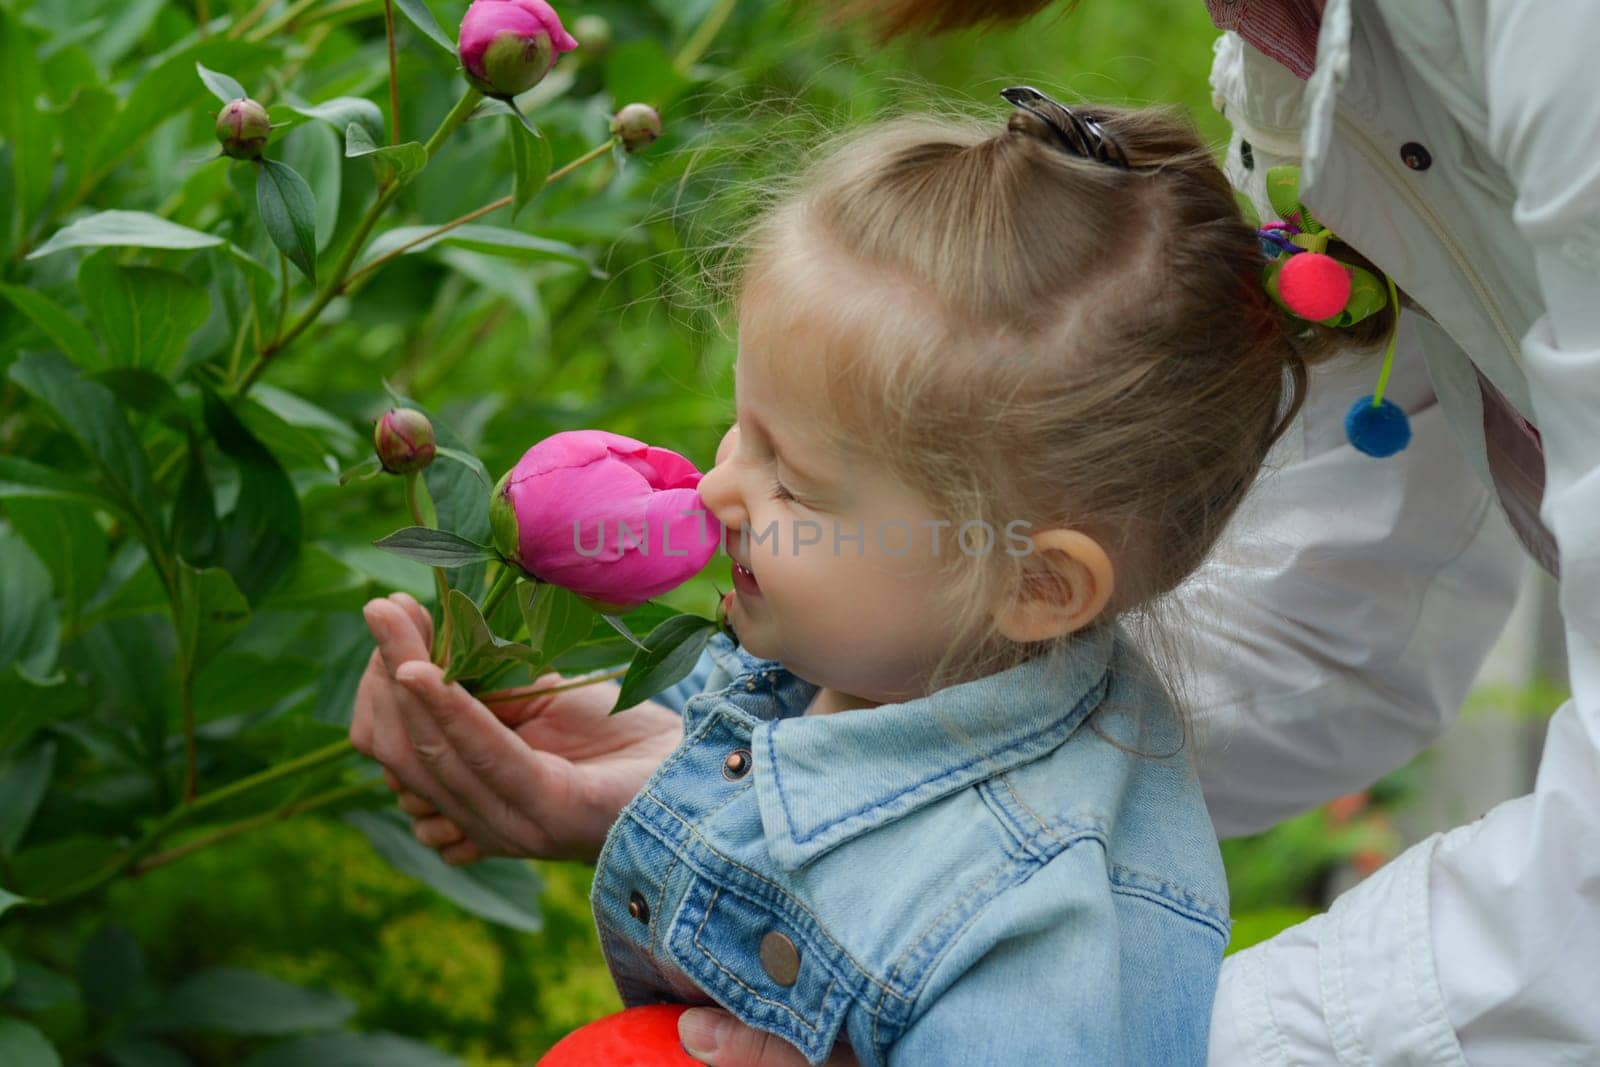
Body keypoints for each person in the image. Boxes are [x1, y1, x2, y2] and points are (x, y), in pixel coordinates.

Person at [355, 0, 1600, 1062]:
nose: (715, 489)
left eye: (795, 483)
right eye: (741, 435)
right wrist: (701, 777)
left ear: (1039, 584)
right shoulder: (895, 666)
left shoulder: (1033, 939)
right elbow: (1333, 589)